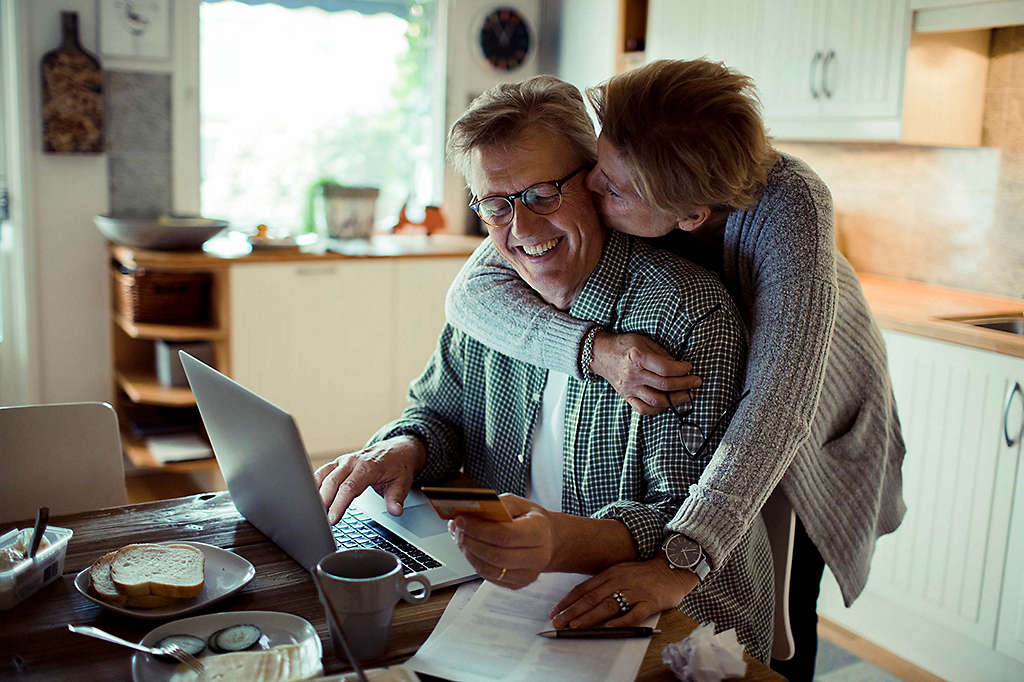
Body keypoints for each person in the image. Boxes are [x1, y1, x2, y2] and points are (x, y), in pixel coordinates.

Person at [444, 59, 907, 680]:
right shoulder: (643, 174)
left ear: (688, 216)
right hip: (752, 403)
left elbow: (778, 406)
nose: (590, 191)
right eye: (591, 172)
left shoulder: (787, 210)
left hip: (816, 427)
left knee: (783, 615)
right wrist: (595, 350)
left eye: (607, 187)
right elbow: (470, 291)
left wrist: (680, 564)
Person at [315, 74, 775, 662]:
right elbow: (435, 411)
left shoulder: (685, 314)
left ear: (597, 181)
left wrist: (556, 542)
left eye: (541, 194)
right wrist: (402, 449)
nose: (522, 230)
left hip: (668, 621)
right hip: (505, 597)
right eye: (497, 205)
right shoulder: (493, 294)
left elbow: (687, 522)